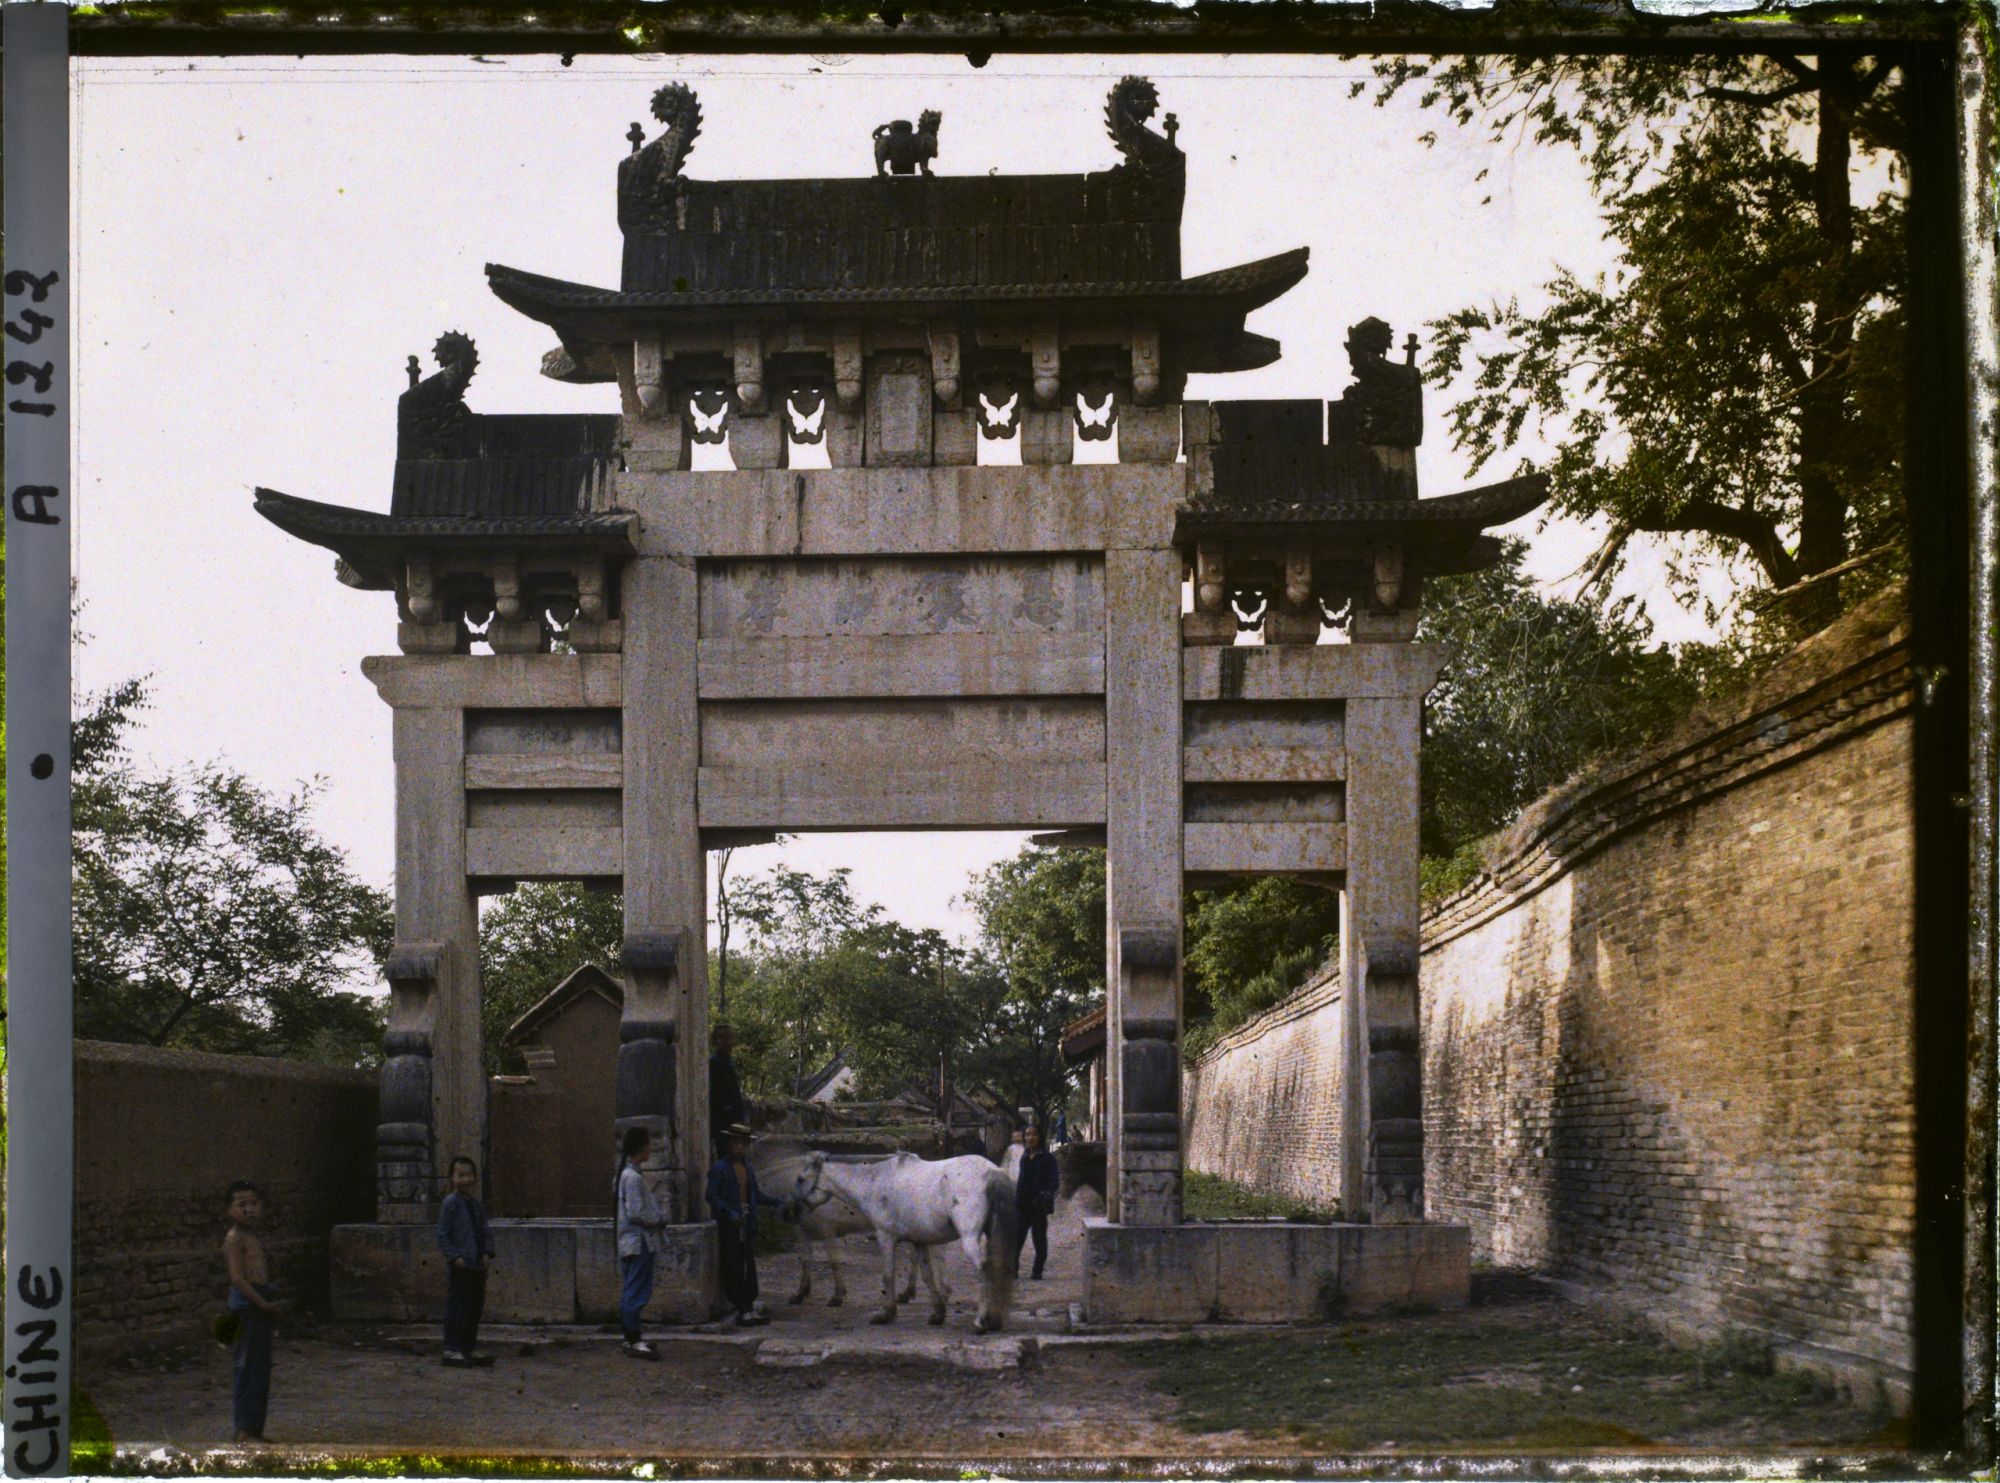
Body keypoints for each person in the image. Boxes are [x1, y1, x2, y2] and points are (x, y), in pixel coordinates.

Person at [706, 1123, 784, 1325]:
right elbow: (711, 1196)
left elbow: (755, 1195)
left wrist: (777, 1201)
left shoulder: (747, 1168)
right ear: (729, 1144)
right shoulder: (719, 1169)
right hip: (731, 1225)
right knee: (734, 1265)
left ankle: (749, 1307)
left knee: (748, 1265)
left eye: (744, 1144)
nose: (740, 1147)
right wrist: (728, 1211)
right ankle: (740, 1308)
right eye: (736, 1143)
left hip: (747, 1222)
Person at [221, 1180, 281, 1443]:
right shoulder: (233, 1239)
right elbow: (237, 1278)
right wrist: (261, 1303)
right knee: (247, 1366)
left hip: (258, 1302)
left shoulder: (252, 1237)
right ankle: (244, 1429)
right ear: (229, 1210)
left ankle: (254, 1428)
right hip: (247, 1307)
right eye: (241, 1205)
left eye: (253, 1204)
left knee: (260, 1368)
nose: (248, 1210)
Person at [436, 1155, 497, 1367]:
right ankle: (452, 1349)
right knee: (458, 1307)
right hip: (461, 1266)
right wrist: (455, 1256)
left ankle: (467, 1347)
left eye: (470, 1175)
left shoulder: (476, 1205)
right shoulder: (450, 1204)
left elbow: (485, 1230)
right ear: (452, 1178)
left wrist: (487, 1252)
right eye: (460, 1175)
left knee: (474, 1308)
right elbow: (442, 1235)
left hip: (477, 1265)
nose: (466, 1180)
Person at [615, 1126, 668, 1360]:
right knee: (636, 1290)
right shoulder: (632, 1178)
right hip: (638, 1241)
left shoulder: (625, 1175)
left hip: (631, 1241)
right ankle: (633, 1339)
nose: (651, 1148)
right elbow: (636, 1212)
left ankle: (631, 1336)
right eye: (648, 1144)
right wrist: (659, 1218)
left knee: (632, 1288)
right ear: (641, 1147)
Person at [1013, 1125, 1060, 1281]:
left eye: (1034, 1135)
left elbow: (1053, 1182)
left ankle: (1037, 1271)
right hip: (1022, 1206)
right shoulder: (1023, 1157)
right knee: (1016, 1241)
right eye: (1027, 1135)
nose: (1030, 1138)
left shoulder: (1048, 1159)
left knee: (1039, 1242)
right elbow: (1019, 1180)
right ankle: (1013, 1271)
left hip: (1038, 1207)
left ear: (1040, 1137)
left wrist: (1044, 1196)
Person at [709, 1024, 747, 1154]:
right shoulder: (714, 1063)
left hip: (733, 1122)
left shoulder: (729, 1063)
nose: (728, 1042)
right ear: (716, 1041)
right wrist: (730, 1115)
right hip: (723, 1123)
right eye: (723, 1038)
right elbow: (718, 1094)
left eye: (730, 1038)